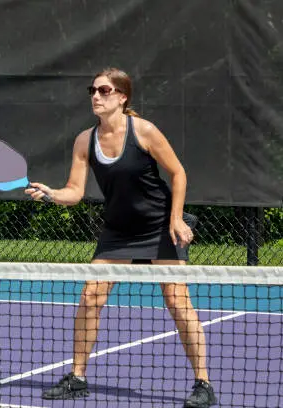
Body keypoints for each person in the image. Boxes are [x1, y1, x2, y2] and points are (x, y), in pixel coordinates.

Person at [25, 68, 216, 408]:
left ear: (122, 96)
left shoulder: (143, 131)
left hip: (159, 226)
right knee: (90, 296)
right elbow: (74, 191)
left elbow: (178, 173)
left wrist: (175, 218)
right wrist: (52, 194)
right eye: (93, 90)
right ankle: (78, 378)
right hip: (118, 230)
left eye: (104, 90)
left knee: (177, 301)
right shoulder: (85, 140)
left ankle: (203, 383)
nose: (96, 96)